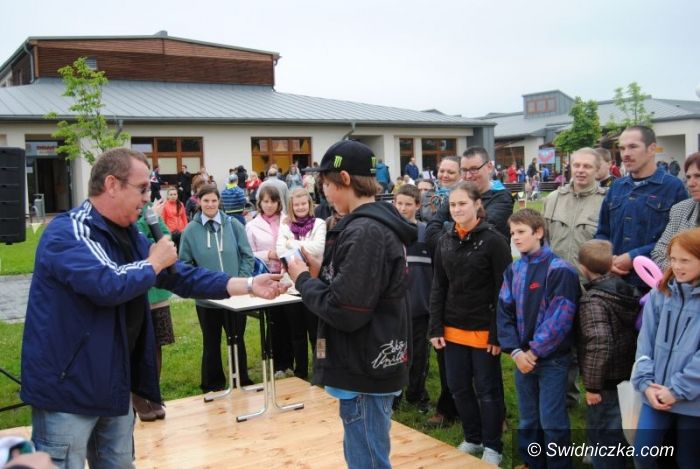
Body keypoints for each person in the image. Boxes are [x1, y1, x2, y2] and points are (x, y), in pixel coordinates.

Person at [20, 148, 286, 469]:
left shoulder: (128, 234)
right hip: (68, 390)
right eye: (143, 188)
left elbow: (180, 276)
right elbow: (107, 283)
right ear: (112, 184)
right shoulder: (68, 232)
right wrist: (153, 262)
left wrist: (249, 284)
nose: (149, 198)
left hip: (113, 383)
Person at [286, 139, 416, 469]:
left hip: (364, 367)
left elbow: (345, 309)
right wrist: (320, 271)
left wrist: (303, 280)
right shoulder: (372, 225)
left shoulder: (366, 231)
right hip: (367, 362)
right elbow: (359, 288)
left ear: (344, 179)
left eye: (326, 184)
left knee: (367, 459)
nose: (324, 194)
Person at [428, 181, 510, 465]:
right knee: (458, 387)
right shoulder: (445, 240)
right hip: (452, 328)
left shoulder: (494, 241)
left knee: (488, 390)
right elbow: (438, 285)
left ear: (477, 205)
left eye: (462, 203)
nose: (457, 209)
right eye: (452, 204)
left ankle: (493, 445)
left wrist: (498, 334)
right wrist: (435, 327)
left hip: (484, 330)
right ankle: (473, 438)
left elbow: (504, 291)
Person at [497, 208, 581, 469]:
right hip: (522, 359)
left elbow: (560, 318)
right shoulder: (514, 269)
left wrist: (533, 352)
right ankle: (532, 462)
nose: (516, 238)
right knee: (528, 418)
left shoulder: (561, 270)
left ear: (539, 232)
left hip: (551, 360)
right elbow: (504, 311)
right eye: (512, 233)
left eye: (521, 232)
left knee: (552, 421)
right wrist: (515, 351)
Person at [632, 227, 700, 468]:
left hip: (693, 400)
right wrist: (646, 383)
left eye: (685, 260)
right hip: (656, 392)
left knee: (688, 460)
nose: (677, 266)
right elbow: (645, 342)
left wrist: (677, 390)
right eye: (673, 259)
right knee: (643, 454)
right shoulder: (660, 293)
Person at [179, 184, 255, 392]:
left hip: (235, 297)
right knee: (211, 341)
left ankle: (241, 379)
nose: (210, 204)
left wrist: (240, 281)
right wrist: (199, 286)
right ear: (199, 202)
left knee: (237, 338)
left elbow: (247, 255)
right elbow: (185, 263)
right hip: (207, 300)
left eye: (214, 200)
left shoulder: (233, 225)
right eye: (206, 201)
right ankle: (212, 383)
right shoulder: (190, 230)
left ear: (219, 201)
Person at [595, 125, 687, 290]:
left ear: (651, 149)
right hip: (616, 284)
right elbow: (603, 232)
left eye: (633, 147)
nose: (625, 154)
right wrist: (607, 258)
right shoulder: (616, 187)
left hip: (656, 286)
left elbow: (680, 239)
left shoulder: (674, 187)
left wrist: (634, 257)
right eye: (622, 148)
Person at [576, 239, 640, 469]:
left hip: (604, 380)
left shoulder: (593, 300)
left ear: (583, 267)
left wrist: (593, 387)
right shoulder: (625, 290)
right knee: (617, 427)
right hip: (624, 372)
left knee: (603, 433)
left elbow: (599, 343)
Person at [276, 188, 326, 378]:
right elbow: (280, 251)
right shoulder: (285, 226)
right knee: (297, 333)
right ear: (291, 206)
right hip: (293, 287)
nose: (300, 207)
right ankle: (301, 372)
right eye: (296, 205)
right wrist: (296, 247)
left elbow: (318, 247)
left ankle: (322, 369)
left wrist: (291, 243)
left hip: (315, 285)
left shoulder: (319, 224)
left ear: (309, 204)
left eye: (303, 203)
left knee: (318, 334)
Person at [133, 202, 176, 421]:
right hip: (140, 294)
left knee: (157, 344)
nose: (145, 197)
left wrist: (155, 221)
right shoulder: (131, 215)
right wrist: (147, 225)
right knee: (139, 347)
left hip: (158, 294)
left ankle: (153, 392)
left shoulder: (152, 212)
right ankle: (137, 396)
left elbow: (165, 239)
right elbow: (139, 244)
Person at [246, 185, 294, 377]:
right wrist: (269, 254)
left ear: (278, 202)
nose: (269, 205)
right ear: (260, 203)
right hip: (266, 276)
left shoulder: (287, 220)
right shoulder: (252, 225)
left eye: (273, 201)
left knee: (289, 320)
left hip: (288, 275)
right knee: (274, 321)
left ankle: (289, 363)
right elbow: (249, 253)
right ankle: (276, 364)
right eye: (265, 201)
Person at [393, 184, 432, 412]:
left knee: (419, 353)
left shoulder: (426, 233)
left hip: (420, 306)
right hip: (395, 306)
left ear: (417, 205)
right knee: (396, 351)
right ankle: (394, 395)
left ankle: (417, 394)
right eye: (399, 203)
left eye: (408, 204)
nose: (403, 208)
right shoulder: (389, 232)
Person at [544, 147, 607, 280]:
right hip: (556, 280)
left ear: (597, 170)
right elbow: (543, 241)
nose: (580, 170)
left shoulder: (606, 202)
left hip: (589, 284)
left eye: (587, 166)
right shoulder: (553, 199)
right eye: (576, 165)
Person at [652, 152, 700, 271]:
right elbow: (658, 253)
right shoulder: (680, 210)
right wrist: (682, 272)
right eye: (688, 177)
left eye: (698, 176)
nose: (691, 183)